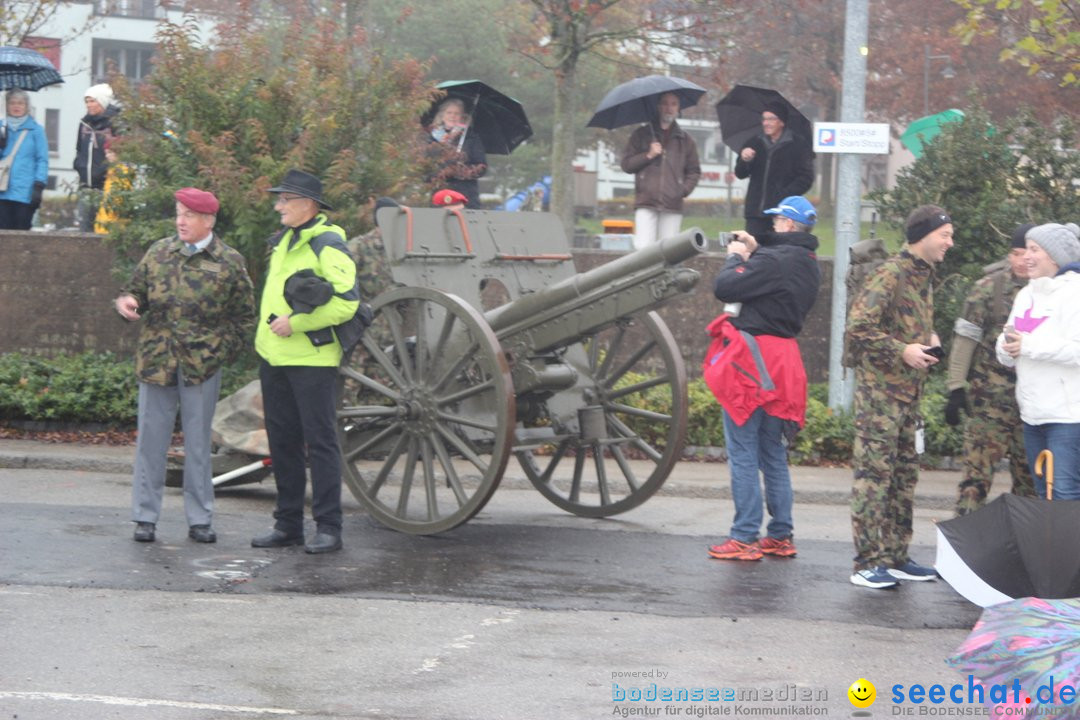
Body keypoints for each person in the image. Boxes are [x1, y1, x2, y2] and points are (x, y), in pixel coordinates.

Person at [115, 188, 255, 543]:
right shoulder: (160, 251)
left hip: (201, 367)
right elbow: (135, 290)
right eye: (178, 213)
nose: (180, 221)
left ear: (208, 221)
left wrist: (218, 352)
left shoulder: (229, 261)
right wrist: (129, 301)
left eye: (189, 215)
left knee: (197, 444)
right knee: (151, 442)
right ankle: (145, 517)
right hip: (157, 362)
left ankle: (200, 519)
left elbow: (244, 318)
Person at [705, 196, 821, 561]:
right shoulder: (807, 263)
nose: (771, 226)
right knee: (773, 452)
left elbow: (726, 287)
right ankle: (780, 534)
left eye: (776, 222)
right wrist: (756, 251)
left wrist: (737, 256)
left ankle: (743, 536)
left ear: (787, 224)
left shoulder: (774, 260)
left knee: (742, 450)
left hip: (753, 361)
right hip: (786, 361)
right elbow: (769, 282)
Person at [846, 205, 954, 589]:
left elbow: (909, 324)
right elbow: (858, 328)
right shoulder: (888, 273)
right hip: (880, 397)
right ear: (924, 235)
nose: (949, 242)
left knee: (904, 477)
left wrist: (930, 341)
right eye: (945, 235)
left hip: (910, 395)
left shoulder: (922, 276)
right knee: (874, 478)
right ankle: (866, 562)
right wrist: (902, 351)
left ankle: (895, 557)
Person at [252, 169, 359, 554]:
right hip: (274, 357)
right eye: (279, 198)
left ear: (308, 205)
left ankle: (329, 527)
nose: (278, 205)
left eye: (285, 199)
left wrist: (297, 324)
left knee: (321, 443)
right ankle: (288, 525)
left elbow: (347, 302)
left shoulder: (328, 244)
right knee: (282, 444)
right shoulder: (284, 241)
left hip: (312, 360)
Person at [946, 224, 1036, 515]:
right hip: (989, 405)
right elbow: (966, 337)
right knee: (975, 481)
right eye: (1014, 253)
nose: (1020, 261)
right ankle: (962, 554)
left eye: (1026, 254)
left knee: (1032, 485)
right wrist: (956, 387)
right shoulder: (989, 289)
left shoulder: (1051, 292)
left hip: (1034, 406)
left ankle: (1026, 551)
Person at [996, 222, 1080, 500]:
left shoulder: (1074, 294)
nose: (1026, 256)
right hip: (1032, 416)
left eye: (1035, 249)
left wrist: (1028, 346)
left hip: (1067, 419)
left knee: (1064, 497)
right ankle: (1051, 546)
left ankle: (1067, 546)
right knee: (1042, 495)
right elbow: (1009, 341)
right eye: (1025, 250)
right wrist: (1005, 348)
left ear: (1055, 257)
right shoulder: (1025, 294)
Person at [620, 92, 701, 250]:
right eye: (665, 103)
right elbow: (627, 165)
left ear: (678, 108)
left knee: (670, 251)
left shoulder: (685, 140)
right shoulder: (641, 135)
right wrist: (648, 155)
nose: (669, 108)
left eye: (673, 104)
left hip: (673, 204)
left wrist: (681, 190)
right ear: (658, 107)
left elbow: (694, 171)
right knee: (643, 249)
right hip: (646, 202)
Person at [734, 102, 814, 237]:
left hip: (781, 213)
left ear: (781, 122)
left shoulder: (798, 145)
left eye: (771, 119)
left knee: (778, 251)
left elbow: (806, 178)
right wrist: (745, 160)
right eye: (764, 119)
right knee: (753, 250)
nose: (766, 123)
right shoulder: (754, 142)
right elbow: (740, 173)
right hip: (755, 212)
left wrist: (784, 195)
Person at [0, 90, 49, 230]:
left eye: (21, 103)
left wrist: (39, 185)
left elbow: (42, 160)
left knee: (21, 235)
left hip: (24, 192)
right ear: (7, 106)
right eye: (12, 103)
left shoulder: (36, 130)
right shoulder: (1, 128)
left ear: (27, 106)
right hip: (2, 191)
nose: (16, 106)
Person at [73, 83, 119, 231]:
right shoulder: (83, 124)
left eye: (92, 100)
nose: (89, 105)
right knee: (84, 231)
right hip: (86, 187)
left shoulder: (115, 124)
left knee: (105, 230)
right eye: (87, 101)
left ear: (103, 101)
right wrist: (79, 166)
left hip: (106, 187)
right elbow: (79, 149)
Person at [427, 98, 486, 209]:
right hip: (441, 197)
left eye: (456, 113)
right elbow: (426, 168)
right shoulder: (433, 139)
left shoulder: (471, 138)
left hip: (466, 197)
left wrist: (460, 171)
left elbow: (482, 167)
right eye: (449, 112)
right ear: (442, 115)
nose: (452, 116)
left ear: (462, 117)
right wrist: (442, 172)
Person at [94, 138, 133, 234]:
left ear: (119, 153)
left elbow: (117, 200)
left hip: (112, 225)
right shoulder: (113, 170)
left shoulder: (122, 172)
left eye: (110, 152)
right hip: (106, 223)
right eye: (106, 153)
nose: (107, 156)